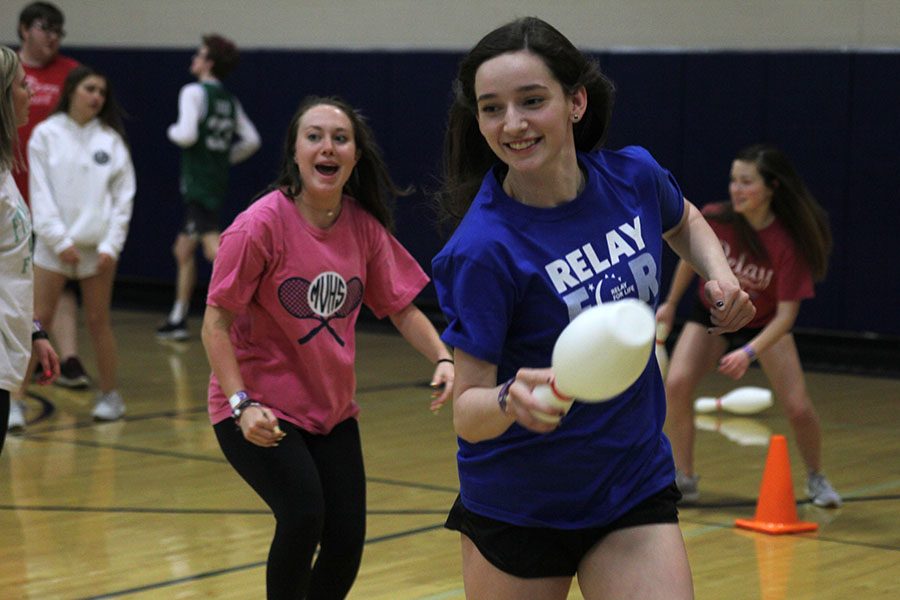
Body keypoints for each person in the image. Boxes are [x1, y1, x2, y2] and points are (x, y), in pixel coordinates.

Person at [431, 17, 755, 600]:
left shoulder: (633, 176)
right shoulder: (483, 250)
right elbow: (468, 413)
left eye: (532, 101)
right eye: (492, 109)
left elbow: (685, 222)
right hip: (520, 508)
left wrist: (721, 275)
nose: (513, 124)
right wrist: (510, 399)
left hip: (630, 485)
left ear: (576, 101)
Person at [201, 95, 454, 598]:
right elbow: (215, 324)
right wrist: (241, 405)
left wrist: (443, 357)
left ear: (354, 157)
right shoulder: (259, 226)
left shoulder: (362, 226)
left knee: (345, 542)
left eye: (340, 139)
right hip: (260, 410)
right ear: (295, 152)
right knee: (303, 515)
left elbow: (402, 307)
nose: (328, 146)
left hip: (332, 412)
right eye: (314, 136)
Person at [656, 143, 842, 508]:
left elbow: (786, 318)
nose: (736, 190)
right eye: (733, 181)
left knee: (798, 407)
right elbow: (688, 260)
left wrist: (748, 352)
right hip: (712, 311)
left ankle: (817, 478)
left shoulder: (788, 243)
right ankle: (685, 477)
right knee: (676, 384)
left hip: (763, 322)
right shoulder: (716, 218)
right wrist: (670, 304)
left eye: (746, 182)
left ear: (772, 187)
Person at [29, 65, 136, 421]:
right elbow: (39, 194)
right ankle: (12, 399)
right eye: (90, 89)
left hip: (97, 250)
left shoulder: (110, 140)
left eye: (102, 92)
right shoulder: (45, 135)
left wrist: (111, 245)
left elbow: (123, 198)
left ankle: (109, 395)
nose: (96, 97)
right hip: (52, 246)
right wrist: (58, 240)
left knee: (98, 320)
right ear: (72, 90)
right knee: (36, 321)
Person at [12, 2, 87, 433]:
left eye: (59, 30)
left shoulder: (71, 73)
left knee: (55, 283)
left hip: (52, 202)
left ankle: (69, 358)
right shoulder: (8, 71)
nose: (53, 37)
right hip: (12, 191)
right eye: (45, 28)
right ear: (25, 30)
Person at [157, 34, 260, 341]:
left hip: (198, 181)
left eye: (199, 55)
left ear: (209, 63)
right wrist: (224, 157)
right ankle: (178, 317)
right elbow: (252, 140)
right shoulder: (229, 100)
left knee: (214, 248)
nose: (194, 60)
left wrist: (171, 130)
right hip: (216, 178)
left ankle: (251, 307)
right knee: (182, 249)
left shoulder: (193, 92)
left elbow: (186, 135)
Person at [1, 45, 59, 452]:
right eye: (23, 85)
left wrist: (33, 328)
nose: (30, 92)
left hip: (10, 347)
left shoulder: (5, 168)